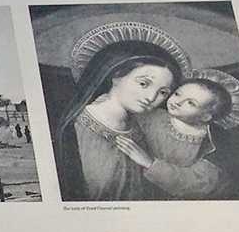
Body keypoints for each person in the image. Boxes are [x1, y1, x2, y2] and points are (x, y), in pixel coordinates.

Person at [56, 24, 189, 200]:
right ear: (116, 74)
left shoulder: (140, 129)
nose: (151, 97)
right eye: (144, 83)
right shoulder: (79, 126)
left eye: (163, 92)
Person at [120, 70, 239, 198]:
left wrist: (150, 164)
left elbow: (198, 183)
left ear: (206, 116)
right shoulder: (150, 116)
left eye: (190, 103)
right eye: (178, 94)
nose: (177, 102)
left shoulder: (210, 144)